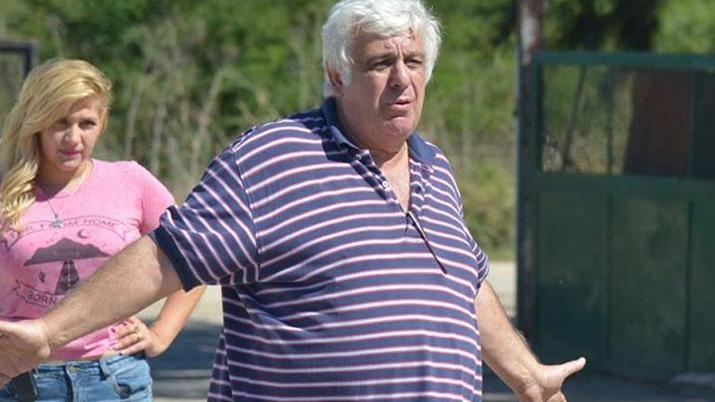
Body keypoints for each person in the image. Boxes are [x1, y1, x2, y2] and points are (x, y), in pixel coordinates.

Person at [0, 1, 585, 401]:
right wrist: (49, 333)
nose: (401, 79)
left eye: (413, 62)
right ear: (337, 73)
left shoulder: (436, 167)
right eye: (380, 63)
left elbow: (462, 280)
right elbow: (166, 256)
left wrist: (527, 378)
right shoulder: (273, 158)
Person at [0, 58, 205, 401]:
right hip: (21, 383)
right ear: (36, 122)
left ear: (102, 123)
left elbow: (196, 253)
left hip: (114, 379)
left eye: (87, 123)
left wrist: (161, 333)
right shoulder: (5, 191)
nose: (73, 138)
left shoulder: (131, 181)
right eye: (59, 122)